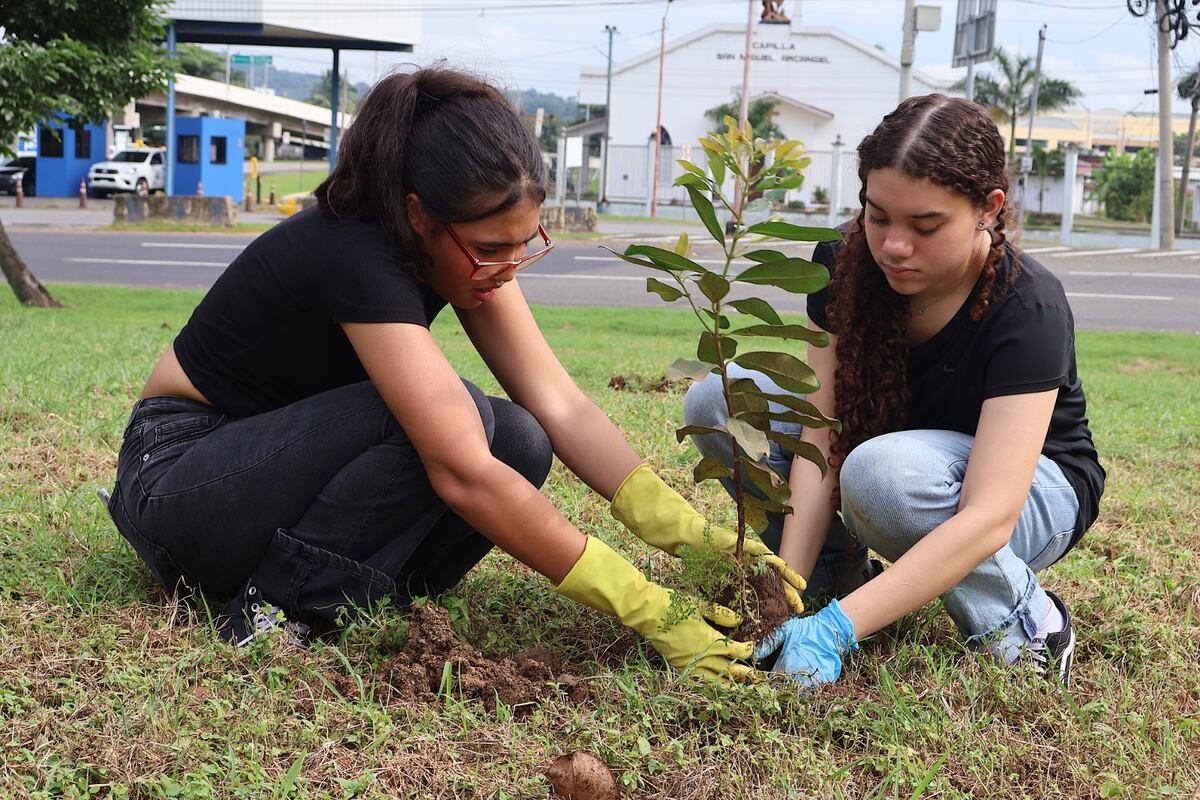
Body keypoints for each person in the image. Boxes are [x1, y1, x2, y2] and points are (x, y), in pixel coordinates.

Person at [103, 66, 804, 681]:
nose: (506, 267)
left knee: (521, 437)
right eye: (489, 248)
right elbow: (459, 467)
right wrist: (645, 606)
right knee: (438, 423)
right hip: (180, 478)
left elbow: (559, 404)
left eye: (524, 246)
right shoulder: (353, 250)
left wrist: (684, 532)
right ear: (418, 215)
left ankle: (373, 595)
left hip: (272, 476)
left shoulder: (458, 252)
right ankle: (273, 609)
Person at [684, 94, 1104, 689]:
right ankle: (837, 582)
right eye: (877, 216)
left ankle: (1026, 623)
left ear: (988, 209)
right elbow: (820, 435)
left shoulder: (1027, 305)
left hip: (1033, 486)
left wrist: (838, 631)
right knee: (722, 404)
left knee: (882, 477)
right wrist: (791, 595)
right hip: (892, 461)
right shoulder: (844, 262)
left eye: (925, 225)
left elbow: (990, 515)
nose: (893, 246)